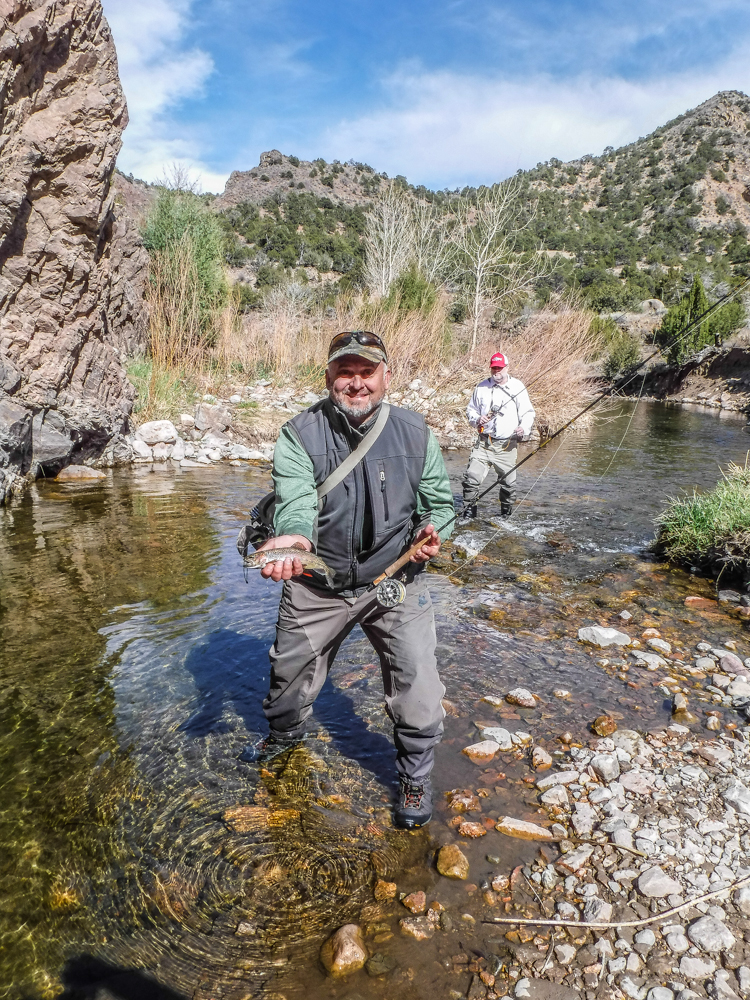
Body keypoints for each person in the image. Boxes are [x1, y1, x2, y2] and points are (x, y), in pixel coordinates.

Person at [241, 331, 455, 830]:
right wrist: (295, 540)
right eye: (345, 372)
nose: (356, 383)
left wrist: (433, 532)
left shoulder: (416, 432)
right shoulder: (299, 433)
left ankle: (414, 776)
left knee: (420, 685)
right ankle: (284, 739)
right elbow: (296, 499)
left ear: (386, 376)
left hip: (395, 580)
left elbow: (441, 507)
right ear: (329, 377)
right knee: (287, 685)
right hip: (319, 583)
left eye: (367, 372)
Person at [461, 352, 535, 520]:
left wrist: (524, 428)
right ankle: (468, 518)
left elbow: (528, 413)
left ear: (507, 368)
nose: (497, 372)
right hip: (484, 443)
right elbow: (470, 410)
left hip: (507, 445)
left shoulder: (518, 387)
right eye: (494, 368)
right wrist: (477, 419)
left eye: (500, 368)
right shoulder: (481, 388)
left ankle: (505, 517)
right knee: (471, 479)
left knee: (509, 485)